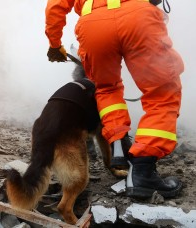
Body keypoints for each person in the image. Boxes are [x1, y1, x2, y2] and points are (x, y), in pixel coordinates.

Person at [45, 0, 184, 198]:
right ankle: (143, 171)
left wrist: (55, 44)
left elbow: (55, 5)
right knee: (162, 93)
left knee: (106, 88)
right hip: (137, 16)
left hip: (93, 24)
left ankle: (118, 144)